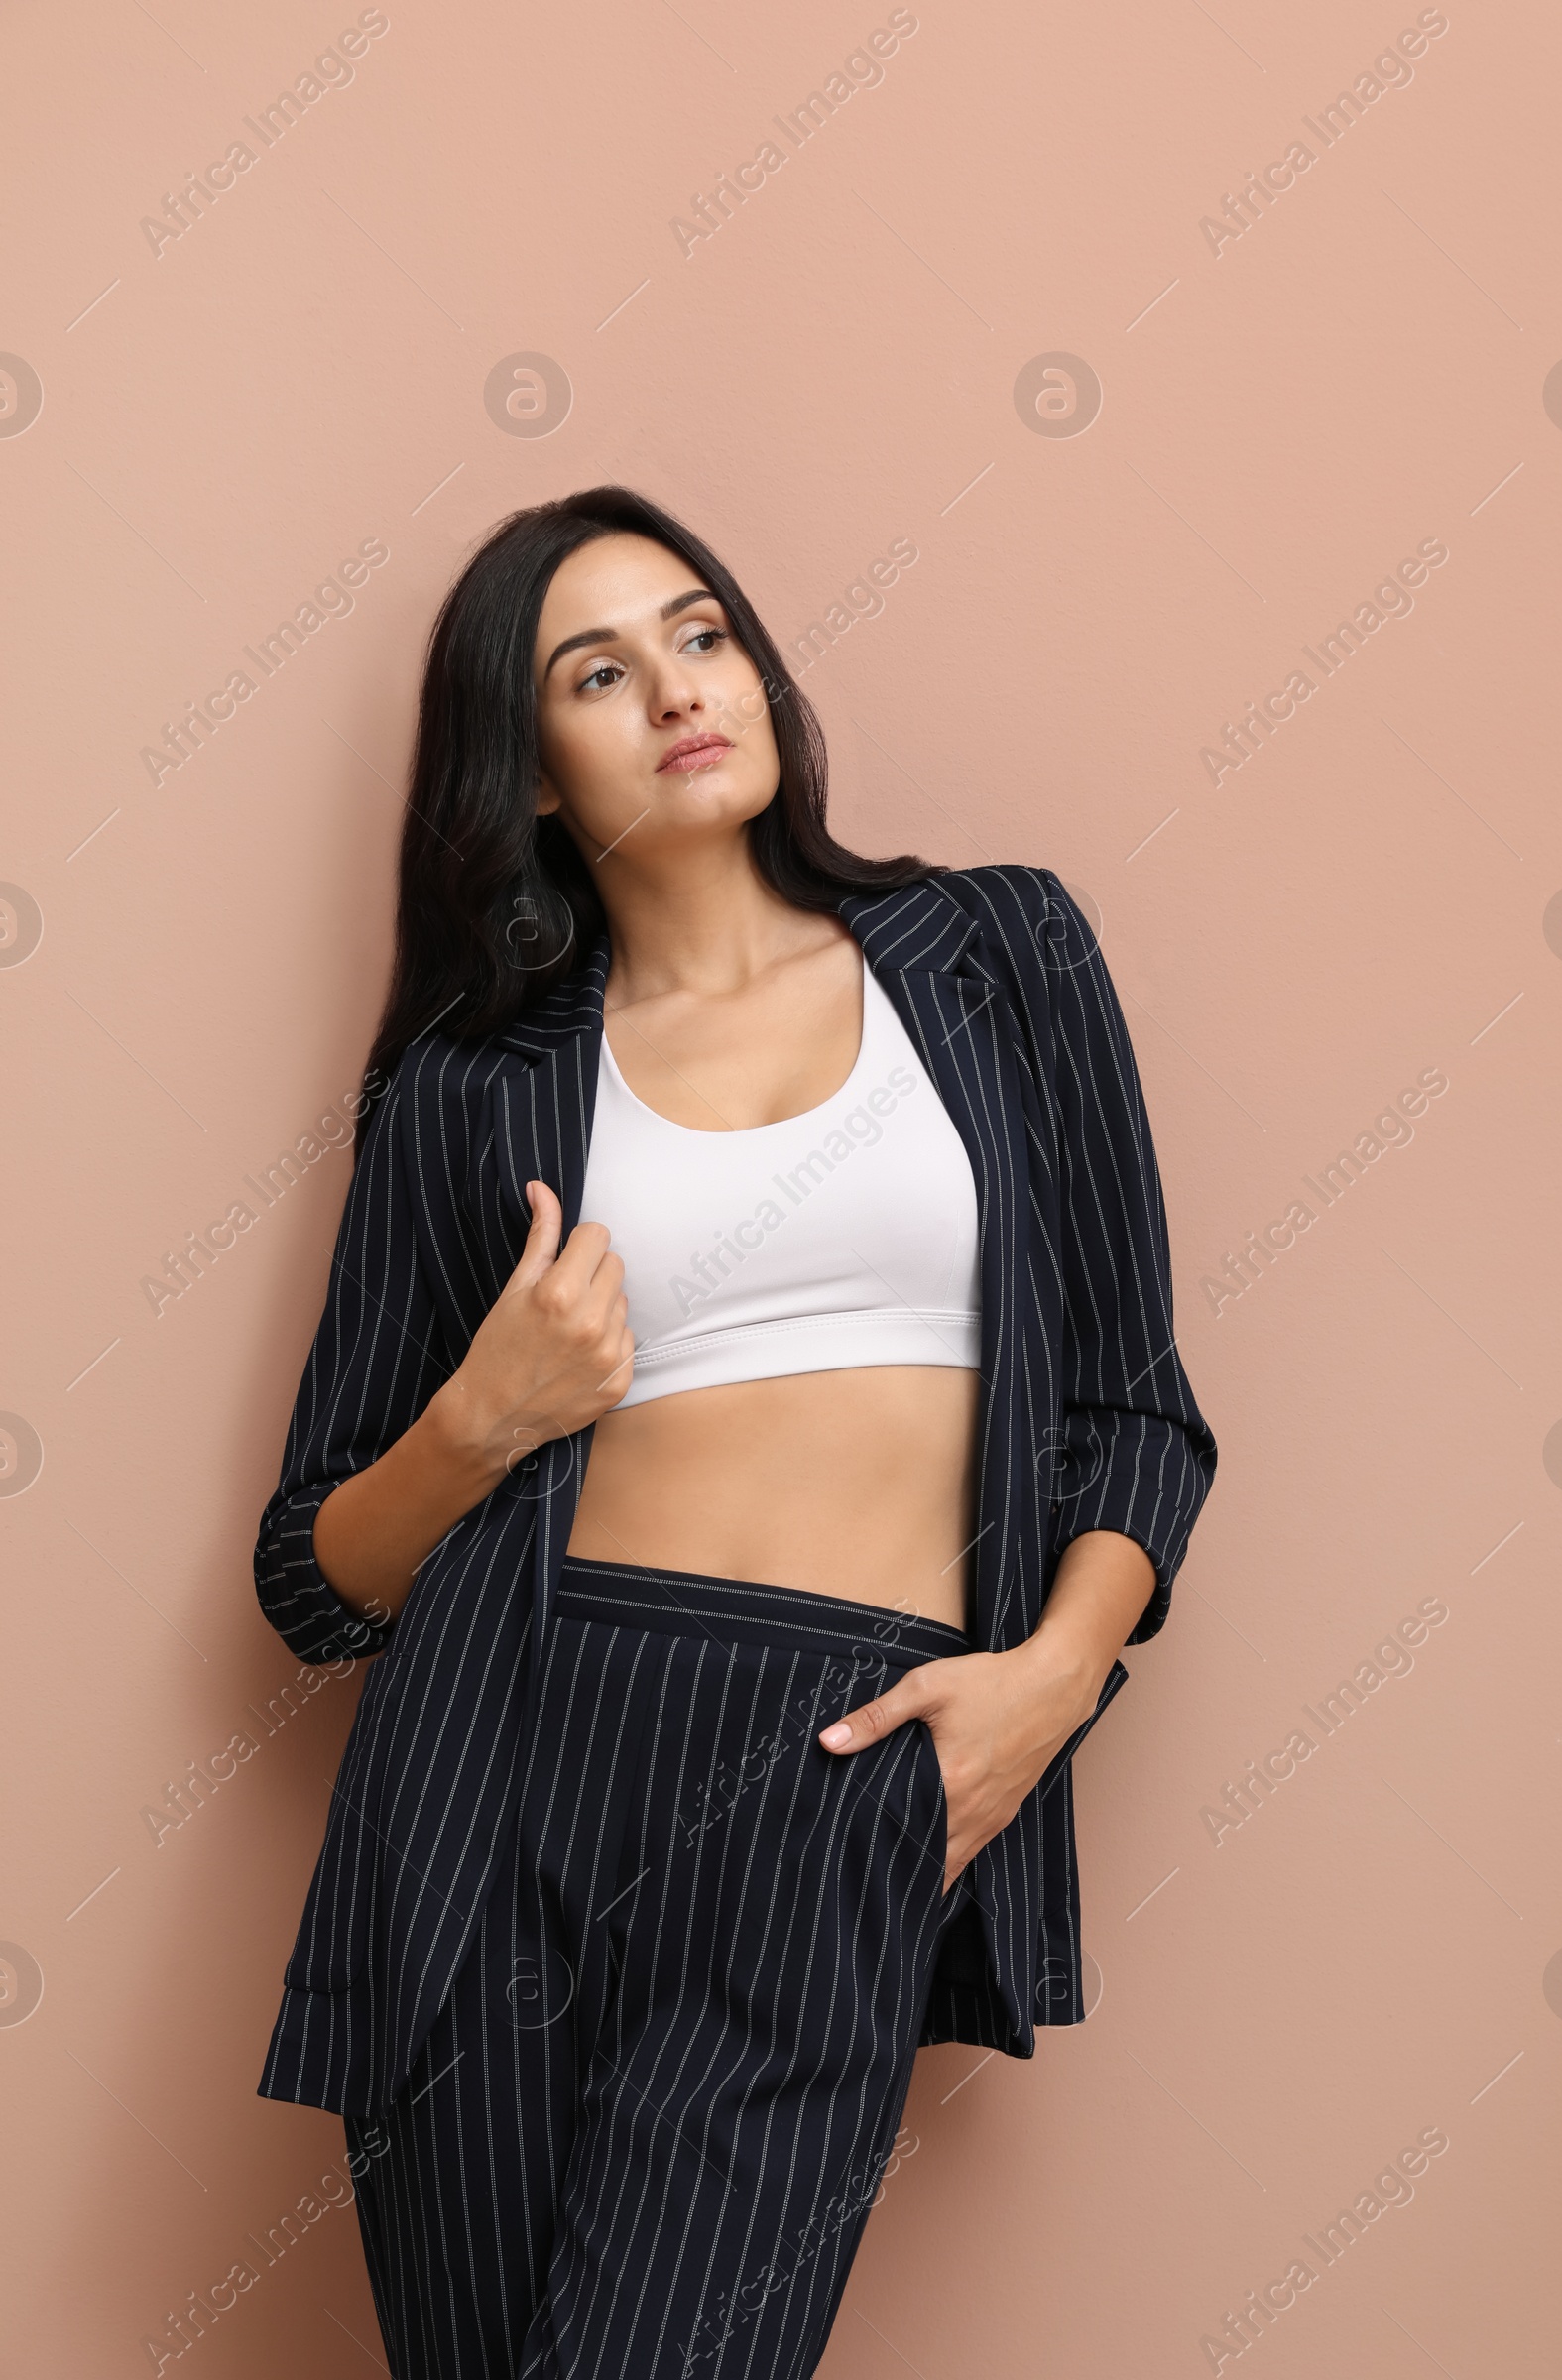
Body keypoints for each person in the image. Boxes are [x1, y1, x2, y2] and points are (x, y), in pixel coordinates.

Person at [252, 485, 1217, 2380]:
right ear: (525, 773)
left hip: (839, 1758)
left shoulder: (997, 956)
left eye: (704, 635)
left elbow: (1137, 1414)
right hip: (504, 1758)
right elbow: (313, 1580)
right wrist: (479, 1416)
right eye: (598, 673)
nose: (683, 688)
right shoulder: (471, 1084)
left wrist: (1048, 1683)